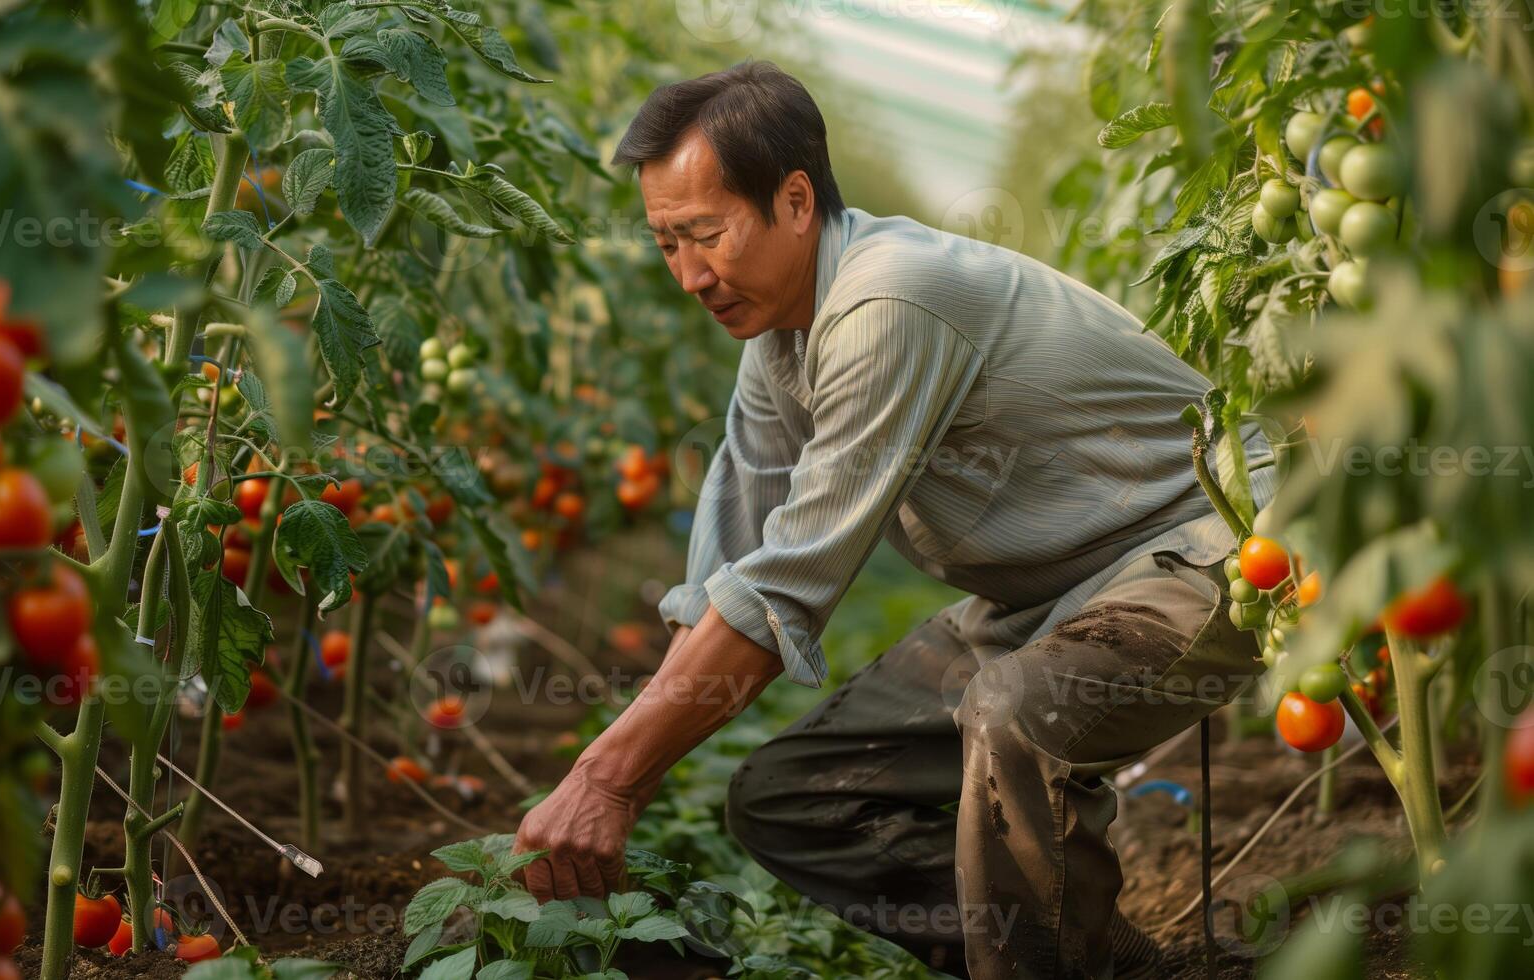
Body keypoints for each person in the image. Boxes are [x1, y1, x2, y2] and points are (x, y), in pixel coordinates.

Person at [513, 60, 1272, 979]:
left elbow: (792, 582)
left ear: (796, 201)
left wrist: (606, 779)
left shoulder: (891, 298)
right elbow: (730, 575)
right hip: (1043, 600)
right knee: (790, 796)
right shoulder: (777, 347)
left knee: (1015, 711)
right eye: (666, 243)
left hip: (1204, 555)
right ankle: (1099, 961)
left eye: (705, 235)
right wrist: (617, 775)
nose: (689, 276)